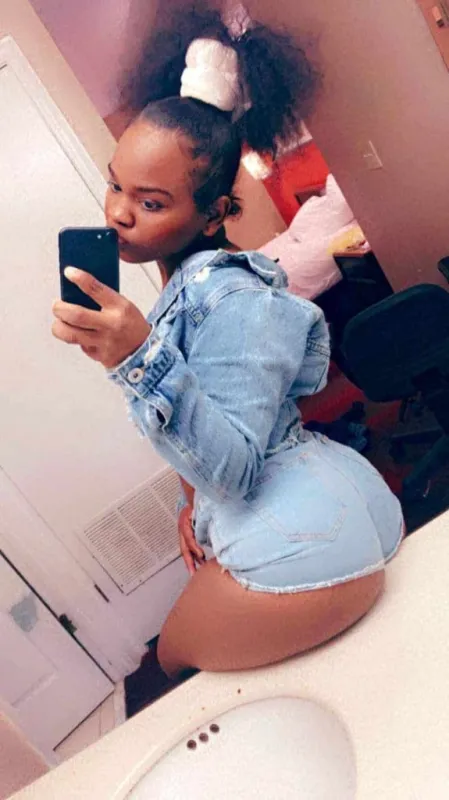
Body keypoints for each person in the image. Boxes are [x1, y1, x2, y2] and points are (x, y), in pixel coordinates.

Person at [52, 9, 403, 689]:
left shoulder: (234, 299)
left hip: (311, 534)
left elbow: (237, 467)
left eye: (151, 203)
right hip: (323, 511)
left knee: (162, 672)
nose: (118, 212)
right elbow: (218, 415)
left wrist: (137, 357)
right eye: (116, 184)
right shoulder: (187, 289)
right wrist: (191, 505)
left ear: (213, 213)